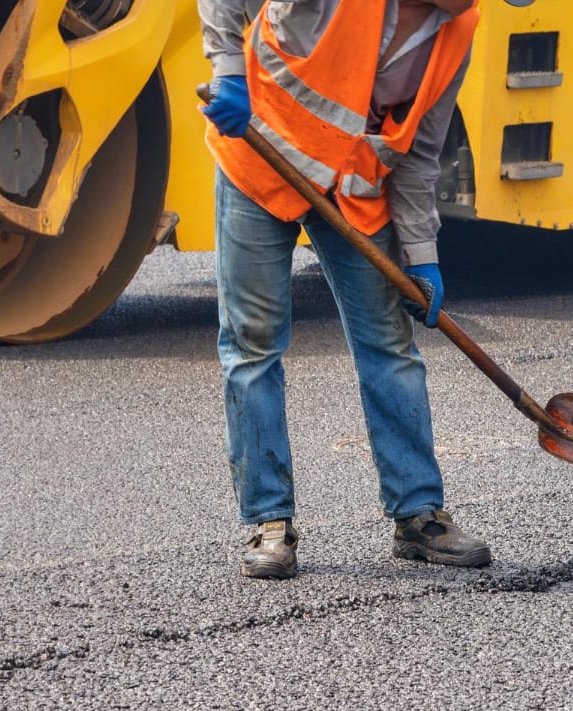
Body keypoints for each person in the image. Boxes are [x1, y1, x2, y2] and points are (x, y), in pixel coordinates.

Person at [199, 0, 489, 579]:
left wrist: (421, 256)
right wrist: (230, 71)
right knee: (253, 345)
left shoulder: (458, 31)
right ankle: (268, 522)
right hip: (261, 158)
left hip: (354, 188)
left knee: (390, 345)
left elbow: (418, 156)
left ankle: (418, 516)